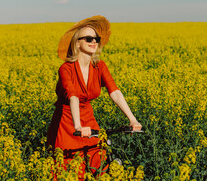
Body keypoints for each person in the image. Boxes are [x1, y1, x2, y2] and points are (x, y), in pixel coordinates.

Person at [47, 15, 141, 179]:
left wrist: (132, 119)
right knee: (68, 171)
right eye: (89, 38)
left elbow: (115, 92)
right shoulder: (66, 69)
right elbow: (73, 95)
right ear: (77, 42)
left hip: (89, 121)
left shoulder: (99, 66)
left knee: (98, 167)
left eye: (96, 39)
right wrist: (77, 126)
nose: (94, 42)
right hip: (67, 124)